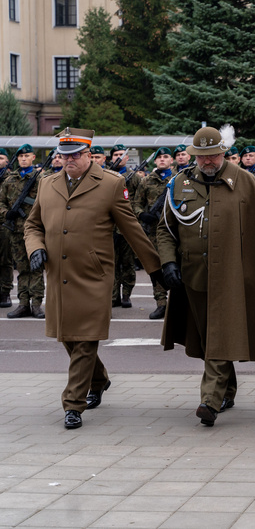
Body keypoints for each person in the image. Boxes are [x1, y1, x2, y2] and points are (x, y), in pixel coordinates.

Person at [23, 128, 162, 429]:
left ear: (88, 154)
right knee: (68, 338)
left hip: (93, 276)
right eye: (64, 155)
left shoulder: (111, 184)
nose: (68, 160)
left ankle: (73, 404)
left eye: (75, 154)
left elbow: (132, 229)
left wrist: (156, 269)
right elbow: (32, 225)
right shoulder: (48, 184)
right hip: (58, 275)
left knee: (85, 339)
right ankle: (98, 380)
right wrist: (36, 248)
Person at [157, 126, 255, 427]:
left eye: (213, 155)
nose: (208, 161)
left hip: (232, 276)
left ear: (223, 153)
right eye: (202, 156)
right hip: (193, 276)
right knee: (205, 338)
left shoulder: (244, 181)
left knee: (220, 335)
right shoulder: (180, 183)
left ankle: (209, 401)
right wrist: (168, 263)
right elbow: (165, 229)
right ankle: (228, 388)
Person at [0, 144, 46, 318]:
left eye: (27, 156)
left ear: (33, 157)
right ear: (17, 159)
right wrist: (7, 214)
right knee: (22, 269)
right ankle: (23, 303)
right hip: (16, 231)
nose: (23, 159)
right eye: (20, 157)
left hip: (35, 231)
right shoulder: (10, 180)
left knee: (36, 268)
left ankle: (36, 305)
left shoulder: (41, 179)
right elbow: (1, 202)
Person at [132, 147, 174, 319]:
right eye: (159, 158)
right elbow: (136, 204)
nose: (162, 160)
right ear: (155, 162)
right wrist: (143, 215)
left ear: (172, 160)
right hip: (154, 231)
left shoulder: (179, 179)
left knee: (177, 266)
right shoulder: (146, 181)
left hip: (175, 229)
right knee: (156, 267)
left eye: (166, 157)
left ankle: (178, 304)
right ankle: (161, 303)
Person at [107, 145, 138, 309]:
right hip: (108, 228)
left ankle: (126, 295)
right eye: (115, 155)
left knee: (127, 263)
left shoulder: (135, 177)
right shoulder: (105, 176)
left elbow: (139, 200)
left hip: (126, 227)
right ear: (111, 157)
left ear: (127, 158)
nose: (119, 157)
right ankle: (113, 296)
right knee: (111, 263)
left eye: (122, 154)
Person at [0, 148, 14, 308]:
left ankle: (5, 293)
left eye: (1, 158)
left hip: (4, 223)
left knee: (5, 260)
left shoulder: (10, 179)